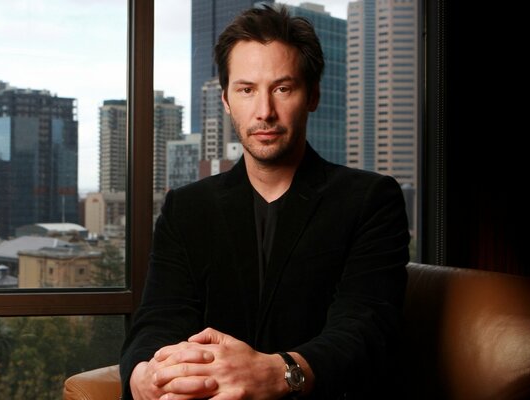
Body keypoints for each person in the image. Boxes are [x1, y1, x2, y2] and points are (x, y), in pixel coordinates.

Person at [120, 5, 410, 399]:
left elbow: (364, 329)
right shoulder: (185, 208)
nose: (264, 112)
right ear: (225, 99)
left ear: (312, 95)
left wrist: (277, 373)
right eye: (246, 90)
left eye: (282, 88)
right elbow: (158, 319)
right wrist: (143, 378)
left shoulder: (370, 200)